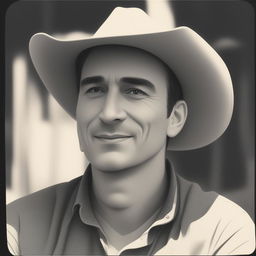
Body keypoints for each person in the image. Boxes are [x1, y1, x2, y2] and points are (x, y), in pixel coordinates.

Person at [7, 7, 255, 255]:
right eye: (95, 90)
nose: (109, 112)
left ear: (175, 118)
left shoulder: (221, 231)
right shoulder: (17, 225)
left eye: (135, 91)